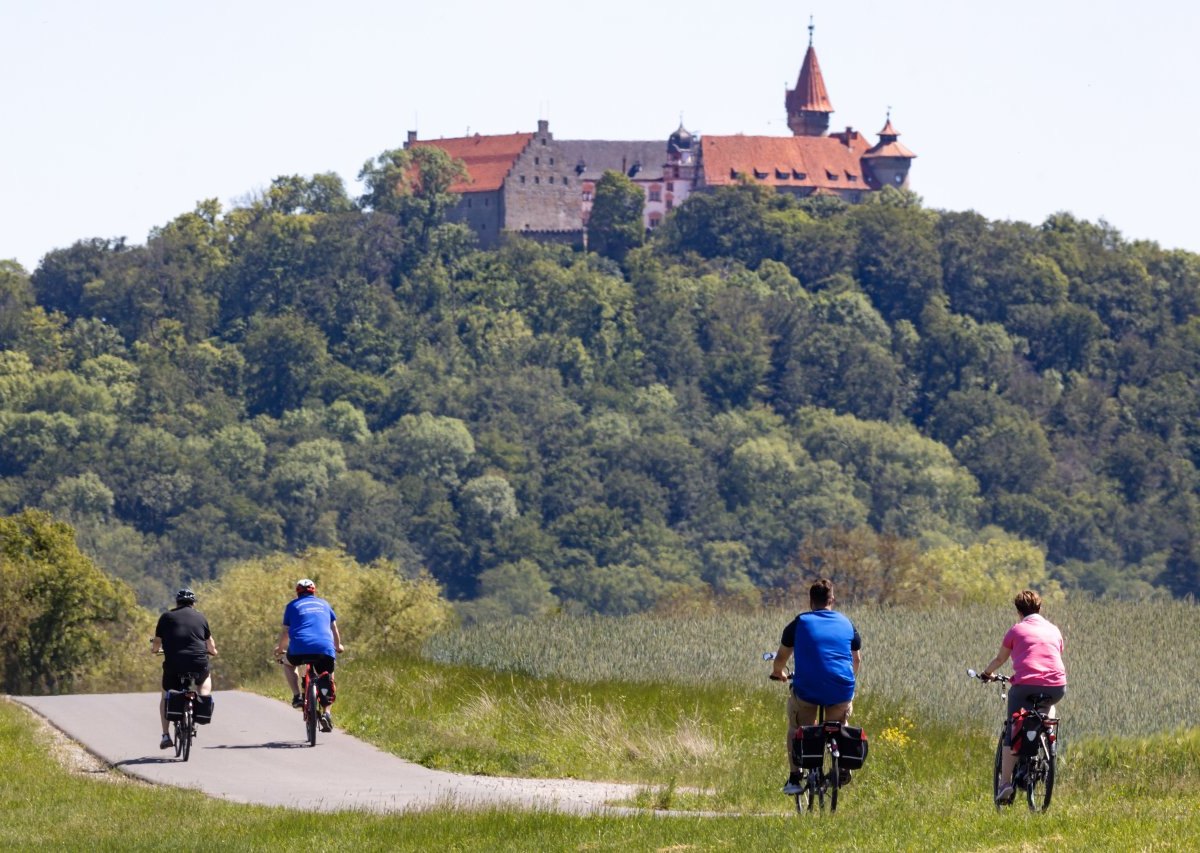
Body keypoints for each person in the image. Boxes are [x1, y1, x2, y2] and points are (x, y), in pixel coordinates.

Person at [770, 578, 862, 794]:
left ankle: (794, 777)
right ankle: (843, 764)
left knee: (797, 728)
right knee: (839, 723)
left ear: (811, 601)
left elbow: (781, 658)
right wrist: (847, 682)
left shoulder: (799, 623)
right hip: (841, 688)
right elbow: (856, 660)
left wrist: (778, 673)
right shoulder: (847, 623)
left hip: (807, 688)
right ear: (832, 600)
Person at [978, 589, 1067, 805]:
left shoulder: (1016, 630)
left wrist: (986, 674)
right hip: (1057, 686)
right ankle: (1046, 731)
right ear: (1040, 608)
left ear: (1018, 611)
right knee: (1047, 706)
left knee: (1013, 727)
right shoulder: (1054, 630)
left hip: (1024, 686)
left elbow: (1000, 658)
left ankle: (1006, 783)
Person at [272, 578, 344, 732]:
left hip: (299, 648)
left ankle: (297, 696)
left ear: (298, 592)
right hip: (324, 648)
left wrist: (279, 649)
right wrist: (338, 646)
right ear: (314, 591)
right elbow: (334, 629)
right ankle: (327, 713)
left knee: (288, 663)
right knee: (328, 675)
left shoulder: (292, 605)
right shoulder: (324, 604)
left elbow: (285, 632)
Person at [151, 588, 218, 749]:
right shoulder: (201, 617)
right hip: (198, 662)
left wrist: (154, 650)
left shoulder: (166, 617)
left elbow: (157, 642)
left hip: (174, 664)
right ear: (193, 603)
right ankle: (203, 697)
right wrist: (213, 652)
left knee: (166, 693)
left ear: (177, 602)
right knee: (205, 678)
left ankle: (166, 735)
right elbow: (210, 644)